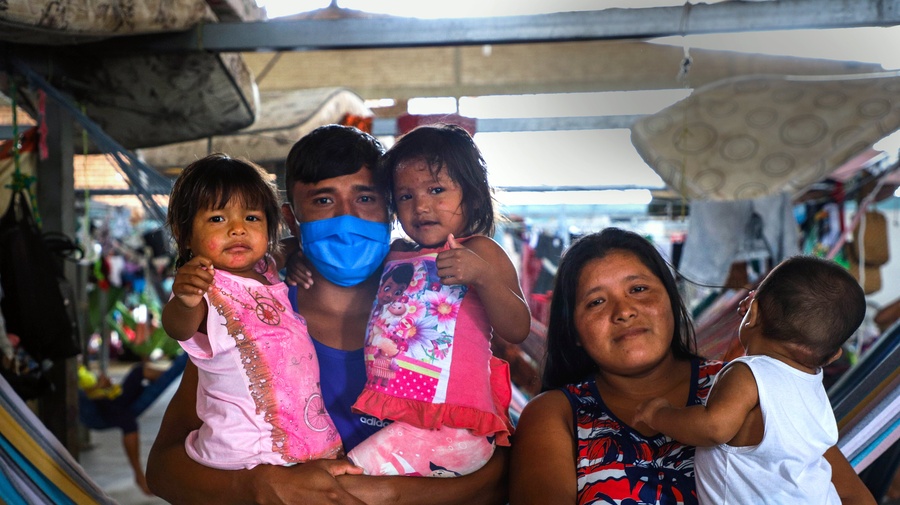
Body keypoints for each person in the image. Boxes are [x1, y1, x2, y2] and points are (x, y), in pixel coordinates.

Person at [147, 124, 509, 505]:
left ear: (391, 209)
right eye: (323, 201)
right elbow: (162, 470)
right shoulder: (253, 321)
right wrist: (257, 487)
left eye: (366, 198)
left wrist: (391, 494)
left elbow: (497, 464)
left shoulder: (442, 311)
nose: (347, 219)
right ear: (290, 219)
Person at [508, 228, 875, 505]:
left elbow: (848, 495)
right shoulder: (555, 415)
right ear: (573, 330)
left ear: (671, 300)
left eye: (638, 289)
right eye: (596, 302)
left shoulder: (752, 388)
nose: (623, 312)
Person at [346, 124, 530, 477]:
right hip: (403, 420)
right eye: (405, 196)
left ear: (473, 195)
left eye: (437, 190)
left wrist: (483, 276)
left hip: (455, 427)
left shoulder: (480, 252)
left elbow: (518, 328)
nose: (421, 206)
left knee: (347, 477)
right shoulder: (396, 255)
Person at [160, 153, 346, 470]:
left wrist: (302, 251)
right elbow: (179, 327)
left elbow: (284, 249)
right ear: (185, 234)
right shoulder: (205, 288)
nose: (238, 230)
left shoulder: (265, 270)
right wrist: (185, 300)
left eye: (252, 218)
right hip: (246, 453)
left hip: (301, 442)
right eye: (217, 219)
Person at [633, 255, 868, 504]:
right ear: (832, 356)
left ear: (752, 313)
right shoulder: (811, 388)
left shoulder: (747, 374)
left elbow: (713, 427)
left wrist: (660, 414)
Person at [78, 352, 188, 495]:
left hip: (109, 397)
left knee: (140, 371)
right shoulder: (70, 374)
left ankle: (170, 374)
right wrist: (99, 386)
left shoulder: (79, 368)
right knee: (128, 421)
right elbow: (83, 395)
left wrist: (103, 385)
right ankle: (139, 475)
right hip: (99, 406)